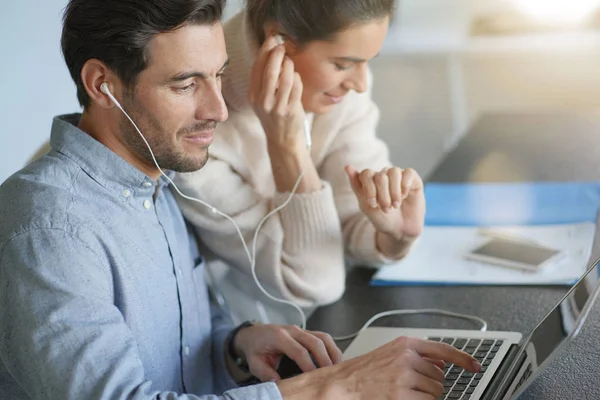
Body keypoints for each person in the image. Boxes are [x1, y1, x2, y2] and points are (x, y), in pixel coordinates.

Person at [0, 0, 480, 399]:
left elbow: (185, 338)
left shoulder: (153, 175)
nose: (219, 109)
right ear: (102, 84)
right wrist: (335, 387)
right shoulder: (49, 228)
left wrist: (236, 344)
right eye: (186, 84)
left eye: (220, 76)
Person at [173, 0, 426, 311]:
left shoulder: (337, 91)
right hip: (248, 331)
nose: (360, 85)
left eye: (367, 61)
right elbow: (318, 281)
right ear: (278, 41)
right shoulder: (191, 133)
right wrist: (287, 145)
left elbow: (352, 220)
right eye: (342, 65)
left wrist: (394, 236)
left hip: (324, 322)